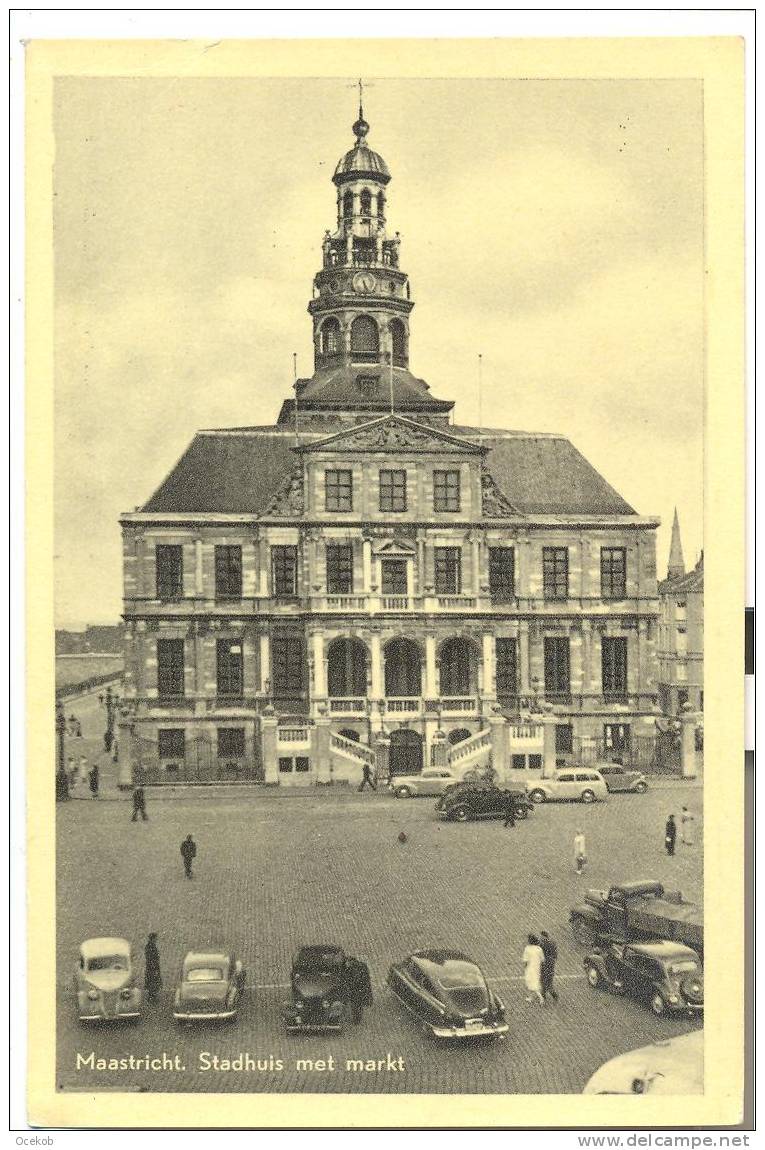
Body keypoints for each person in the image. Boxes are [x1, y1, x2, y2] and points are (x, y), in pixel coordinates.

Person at [344, 956, 373, 1024]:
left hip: (356, 989)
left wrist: (348, 983)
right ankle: (357, 1019)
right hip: (362, 989)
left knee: (355, 1005)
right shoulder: (362, 966)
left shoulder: (352, 968)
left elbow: (354, 979)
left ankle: (356, 1020)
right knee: (358, 1005)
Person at [522, 934, 545, 1006]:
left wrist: (525, 967)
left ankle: (541, 998)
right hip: (537, 967)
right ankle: (530, 997)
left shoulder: (527, 949)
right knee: (534, 982)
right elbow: (542, 959)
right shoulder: (539, 949)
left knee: (531, 983)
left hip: (530, 968)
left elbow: (526, 960)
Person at [539, 931, 559, 1003]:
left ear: (543, 937)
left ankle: (548, 995)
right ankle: (548, 994)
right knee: (548, 981)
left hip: (544, 965)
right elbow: (555, 955)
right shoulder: (553, 943)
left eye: (541, 937)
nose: (540, 938)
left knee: (543, 980)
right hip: (551, 964)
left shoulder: (541, 944)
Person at [144, 933, 162, 1002]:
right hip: (152, 967)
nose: (156, 940)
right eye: (155, 938)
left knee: (152, 982)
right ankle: (152, 997)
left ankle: (152, 996)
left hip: (151, 967)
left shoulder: (150, 946)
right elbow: (151, 957)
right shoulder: (150, 946)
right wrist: (154, 965)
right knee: (153, 981)